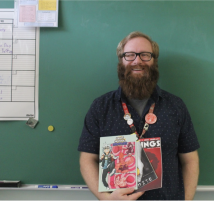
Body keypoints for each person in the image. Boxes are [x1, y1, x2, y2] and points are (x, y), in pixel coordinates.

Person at [78, 31, 200, 200]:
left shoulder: (176, 106)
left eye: (145, 55)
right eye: (129, 55)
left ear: (154, 61)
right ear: (121, 60)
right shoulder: (101, 107)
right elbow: (87, 159)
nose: (137, 61)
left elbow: (190, 160)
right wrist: (106, 198)